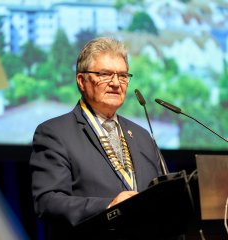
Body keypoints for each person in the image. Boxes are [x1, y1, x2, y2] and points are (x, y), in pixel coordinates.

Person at [30, 37, 164, 239]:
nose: (116, 83)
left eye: (123, 75)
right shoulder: (54, 133)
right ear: (81, 81)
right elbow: (48, 202)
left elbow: (165, 194)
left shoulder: (142, 136)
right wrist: (109, 206)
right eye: (105, 74)